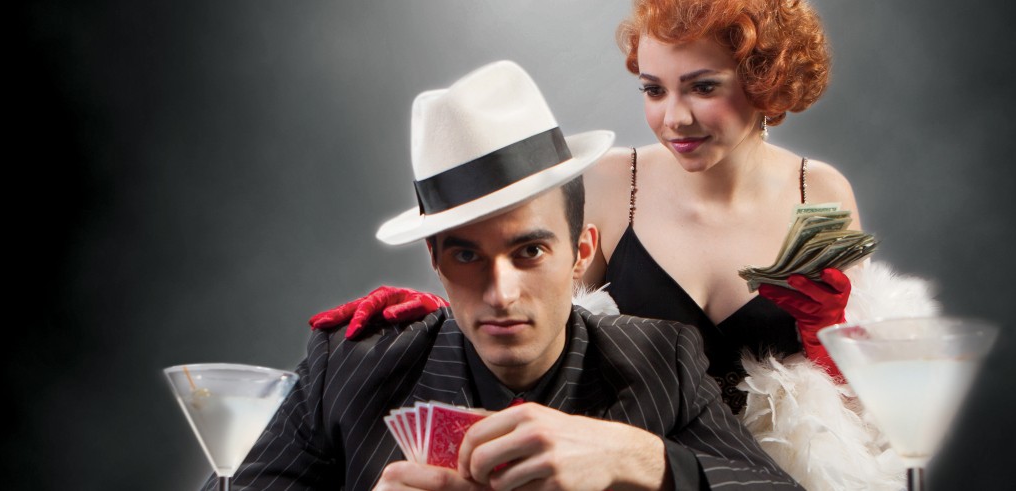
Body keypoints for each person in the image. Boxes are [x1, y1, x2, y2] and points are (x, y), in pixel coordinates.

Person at [312, 2, 939, 489]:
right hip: (624, 475)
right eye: (654, 89)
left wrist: (832, 346)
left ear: (762, 78)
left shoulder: (820, 193)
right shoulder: (614, 182)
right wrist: (440, 322)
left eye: (702, 87)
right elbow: (546, 325)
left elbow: (865, 422)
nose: (675, 118)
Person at [209, 60, 802, 491]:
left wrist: (646, 459)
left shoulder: (660, 361)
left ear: (580, 253)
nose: (500, 293)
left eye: (529, 252)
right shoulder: (350, 368)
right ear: (435, 265)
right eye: (467, 256)